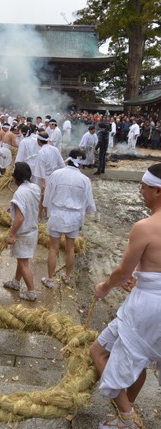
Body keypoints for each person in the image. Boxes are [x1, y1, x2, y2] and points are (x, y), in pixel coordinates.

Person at [90, 163, 161, 429]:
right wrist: (145, 278)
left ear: (158, 190)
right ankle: (125, 413)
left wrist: (105, 286)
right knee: (141, 361)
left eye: (144, 186)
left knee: (97, 351)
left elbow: (122, 271)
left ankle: (126, 418)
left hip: (147, 306)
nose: (140, 190)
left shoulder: (145, 226)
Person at [42, 149, 96, 287]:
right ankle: (67, 276)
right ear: (81, 165)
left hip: (57, 214)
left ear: (68, 159)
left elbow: (47, 196)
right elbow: (89, 204)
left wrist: (47, 210)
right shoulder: (85, 180)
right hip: (74, 217)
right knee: (70, 248)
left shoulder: (56, 174)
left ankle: (49, 279)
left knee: (53, 249)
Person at [4, 162, 41, 301]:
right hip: (33, 230)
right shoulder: (34, 187)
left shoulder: (19, 192)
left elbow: (19, 218)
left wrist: (11, 234)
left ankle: (31, 292)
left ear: (14, 177)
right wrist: (13, 207)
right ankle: (15, 282)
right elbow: (29, 204)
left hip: (23, 234)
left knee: (24, 264)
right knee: (22, 259)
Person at [34, 131, 65, 217]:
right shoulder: (54, 149)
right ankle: (44, 216)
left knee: (44, 199)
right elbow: (62, 164)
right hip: (54, 177)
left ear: (39, 140)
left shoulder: (41, 152)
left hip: (45, 179)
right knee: (49, 198)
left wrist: (43, 182)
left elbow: (41, 169)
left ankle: (40, 217)